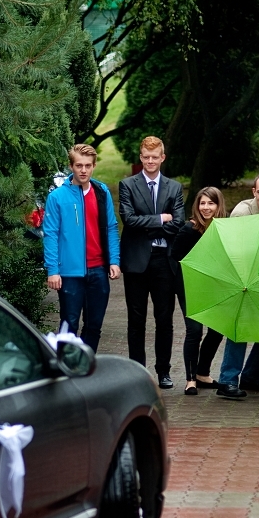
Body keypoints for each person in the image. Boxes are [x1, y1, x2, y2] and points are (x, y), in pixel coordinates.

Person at [118, 137, 185, 387]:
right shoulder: (127, 185)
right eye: (146, 157)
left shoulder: (174, 187)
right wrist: (160, 220)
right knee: (136, 320)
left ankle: (164, 372)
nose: (150, 161)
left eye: (154, 157)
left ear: (162, 158)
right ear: (140, 157)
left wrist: (152, 223)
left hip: (164, 262)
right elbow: (129, 220)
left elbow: (178, 223)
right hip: (136, 261)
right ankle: (137, 372)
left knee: (164, 319)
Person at [43, 143, 122, 352]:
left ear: (94, 165)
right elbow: (50, 234)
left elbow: (111, 227)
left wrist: (114, 260)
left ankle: (86, 369)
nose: (83, 170)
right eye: (79, 165)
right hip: (70, 272)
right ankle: (65, 370)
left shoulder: (101, 191)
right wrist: (53, 270)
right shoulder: (57, 197)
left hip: (98, 268)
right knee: (69, 324)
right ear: (71, 166)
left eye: (88, 165)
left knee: (94, 325)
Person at [217, 172, 259, 399]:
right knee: (241, 328)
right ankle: (227, 380)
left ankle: (252, 376)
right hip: (242, 277)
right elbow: (235, 251)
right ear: (253, 192)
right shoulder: (242, 213)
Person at [171, 186, 226, 394]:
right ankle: (190, 379)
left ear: (218, 205)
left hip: (215, 287)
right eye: (202, 203)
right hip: (190, 286)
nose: (206, 207)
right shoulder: (189, 229)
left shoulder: (223, 229)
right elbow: (176, 256)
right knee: (194, 331)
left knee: (217, 330)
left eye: (210, 203)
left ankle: (203, 373)